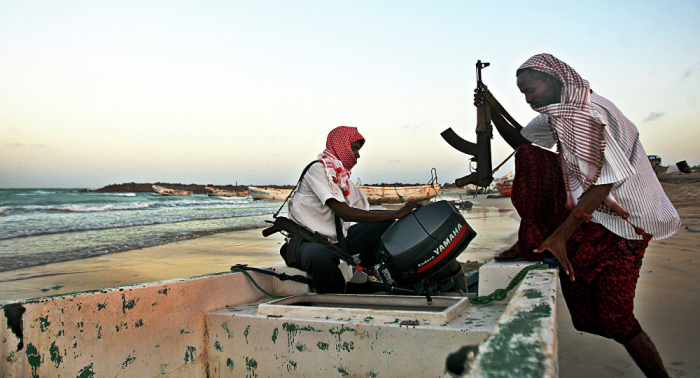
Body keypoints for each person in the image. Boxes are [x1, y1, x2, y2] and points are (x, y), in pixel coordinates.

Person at [474, 54, 680, 377]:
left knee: (618, 322)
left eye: (532, 90)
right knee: (584, 317)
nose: (528, 100)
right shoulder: (559, 112)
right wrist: (490, 107)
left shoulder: (590, 114)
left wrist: (561, 235)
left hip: (628, 226)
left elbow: (605, 183)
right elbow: (522, 142)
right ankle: (536, 242)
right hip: (596, 218)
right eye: (522, 94)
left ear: (555, 79)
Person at [282, 126, 421, 294]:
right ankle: (337, 299)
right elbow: (345, 213)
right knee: (320, 256)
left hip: (335, 242)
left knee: (384, 223)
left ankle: (362, 275)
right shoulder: (318, 170)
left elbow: (364, 213)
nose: (357, 155)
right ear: (340, 145)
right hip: (306, 243)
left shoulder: (342, 177)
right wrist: (397, 213)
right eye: (354, 148)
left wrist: (397, 214)